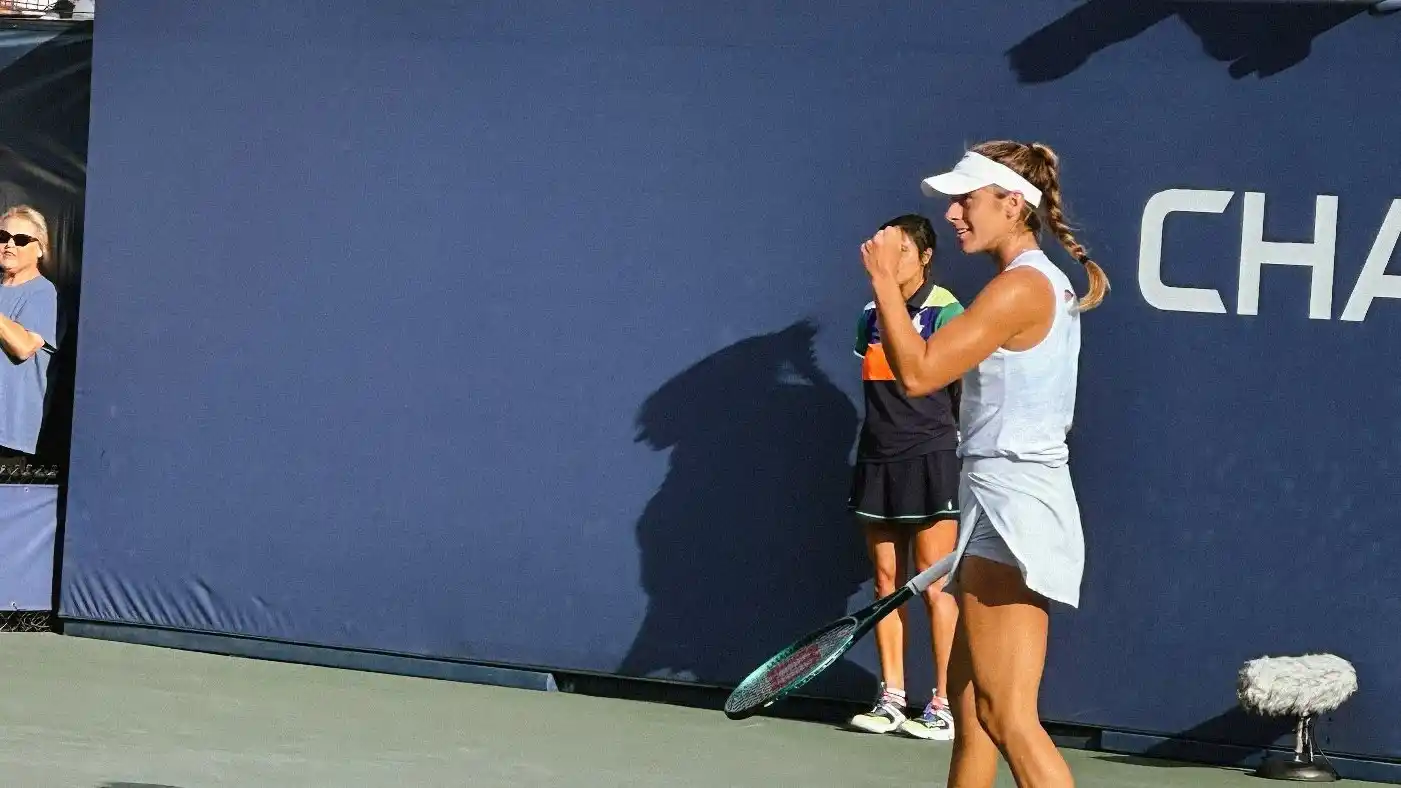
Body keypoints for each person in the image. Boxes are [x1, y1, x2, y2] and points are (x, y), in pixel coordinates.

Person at [859, 141, 1108, 788]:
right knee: (971, 715)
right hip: (995, 497)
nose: (953, 214)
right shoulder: (1028, 281)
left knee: (1007, 716)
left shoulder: (1020, 287)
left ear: (1013, 204)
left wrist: (884, 282)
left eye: (966, 200)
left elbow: (918, 374)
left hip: (1012, 506)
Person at [846, 214, 962, 741]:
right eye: (884, 251)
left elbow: (960, 391)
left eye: (902, 252)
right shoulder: (870, 315)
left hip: (931, 457)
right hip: (878, 457)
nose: (890, 262)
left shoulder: (947, 311)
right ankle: (892, 697)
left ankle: (943, 704)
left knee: (935, 584)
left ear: (925, 257)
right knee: (886, 583)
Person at [0, 205, 59, 470]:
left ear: (39, 249)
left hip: (8, 439)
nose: (9, 245)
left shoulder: (44, 294)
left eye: (21, 239)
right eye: (3, 237)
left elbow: (24, 346)